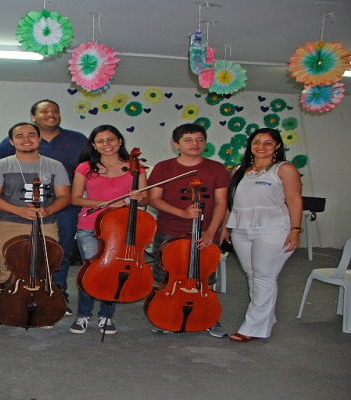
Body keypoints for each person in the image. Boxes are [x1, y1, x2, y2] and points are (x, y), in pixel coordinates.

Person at [0, 100, 86, 313]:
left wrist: (50, 209)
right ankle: (2, 308)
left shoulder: (71, 147)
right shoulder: (6, 154)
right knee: (8, 266)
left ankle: (52, 299)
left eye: (55, 111)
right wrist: (18, 208)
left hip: (56, 211)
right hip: (12, 216)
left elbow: (81, 177)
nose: (51, 114)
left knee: (54, 259)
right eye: (45, 111)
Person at [0, 122, 71, 329]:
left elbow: (64, 196)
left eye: (31, 135)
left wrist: (48, 210)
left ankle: (42, 310)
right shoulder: (0, 165)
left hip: (45, 222)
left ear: (39, 139)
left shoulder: (54, 165)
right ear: (12, 141)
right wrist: (19, 211)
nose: (26, 139)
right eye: (20, 136)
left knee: (44, 270)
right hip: (7, 222)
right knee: (6, 270)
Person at [219, 128, 302, 342]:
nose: (261, 147)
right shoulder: (239, 169)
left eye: (268, 143)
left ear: (277, 146)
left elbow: (294, 200)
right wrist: (225, 226)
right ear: (250, 145)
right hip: (241, 229)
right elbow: (231, 201)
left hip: (273, 228)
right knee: (253, 275)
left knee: (264, 277)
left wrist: (295, 230)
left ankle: (253, 328)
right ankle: (265, 318)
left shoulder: (284, 169)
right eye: (257, 142)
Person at [147, 123, 229, 337]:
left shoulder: (216, 168)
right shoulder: (164, 168)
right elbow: (153, 199)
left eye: (200, 139)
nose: (195, 143)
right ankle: (163, 315)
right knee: (164, 277)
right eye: (188, 140)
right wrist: (182, 213)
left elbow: (221, 203)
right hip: (170, 231)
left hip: (206, 233)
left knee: (206, 278)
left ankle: (210, 317)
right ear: (177, 144)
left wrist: (211, 231)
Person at [68, 125, 147, 335]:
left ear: (120, 141)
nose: (106, 144)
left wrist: (140, 198)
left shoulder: (135, 168)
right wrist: (110, 203)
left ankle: (106, 316)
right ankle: (83, 315)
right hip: (90, 227)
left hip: (123, 228)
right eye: (100, 141)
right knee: (92, 271)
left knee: (114, 271)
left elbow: (144, 199)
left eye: (111, 139)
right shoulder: (85, 167)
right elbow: (75, 198)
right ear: (94, 145)